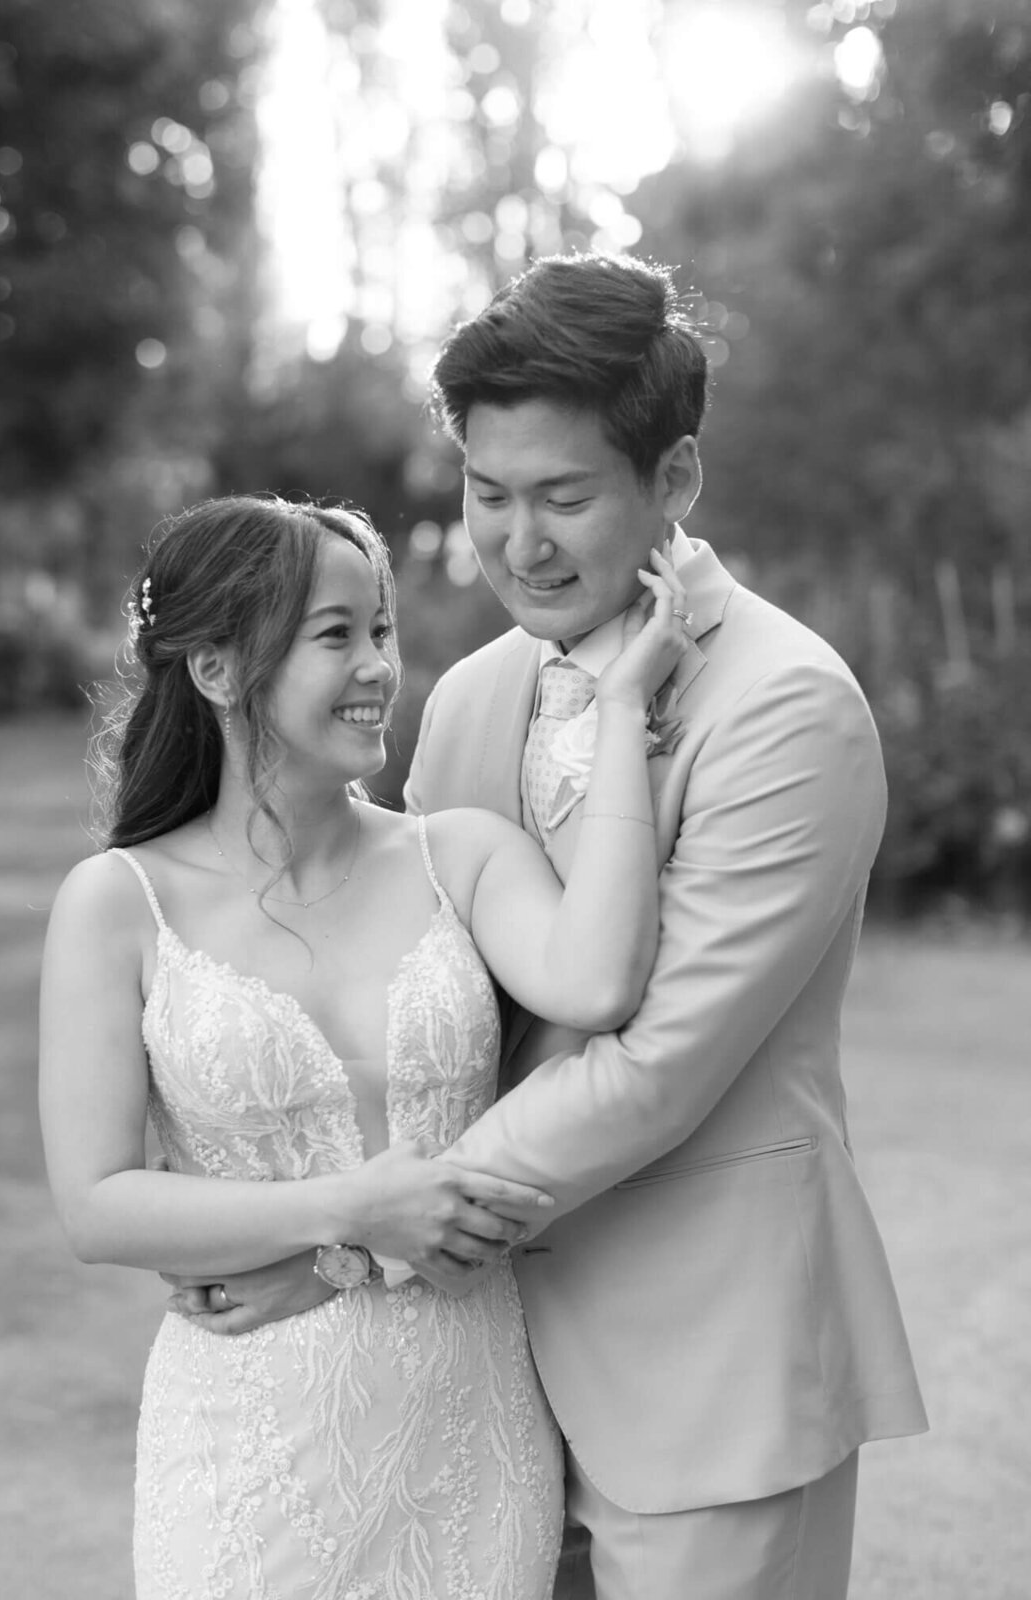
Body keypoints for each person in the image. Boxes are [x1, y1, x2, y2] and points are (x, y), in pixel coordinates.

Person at [171, 255, 929, 1600]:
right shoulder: (466, 699)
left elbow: (652, 1074)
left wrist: (344, 1245)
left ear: (676, 480)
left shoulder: (788, 712)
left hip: (705, 1381)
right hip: (474, 1383)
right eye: (487, 492)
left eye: (565, 497)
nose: (518, 543)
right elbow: (400, 987)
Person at [38, 491, 692, 1598]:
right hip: (244, 1452)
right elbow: (97, 1203)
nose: (378, 664)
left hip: (472, 1434)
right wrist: (349, 1212)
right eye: (334, 634)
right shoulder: (117, 904)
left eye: (379, 628)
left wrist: (623, 708)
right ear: (215, 669)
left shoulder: (461, 857)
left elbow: (599, 977)